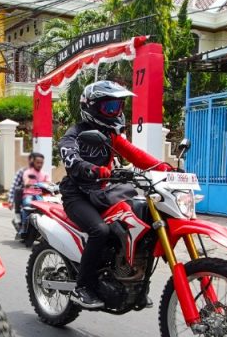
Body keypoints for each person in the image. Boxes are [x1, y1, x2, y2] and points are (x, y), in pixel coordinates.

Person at [58, 80, 172, 309]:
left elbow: (136, 155)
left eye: (118, 107)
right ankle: (82, 288)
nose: (115, 112)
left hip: (102, 193)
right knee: (99, 230)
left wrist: (166, 168)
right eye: (109, 108)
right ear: (91, 107)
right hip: (77, 195)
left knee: (141, 219)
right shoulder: (75, 134)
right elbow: (72, 160)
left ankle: (133, 281)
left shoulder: (110, 136)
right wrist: (93, 169)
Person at [17, 152, 48, 238]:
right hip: (29, 194)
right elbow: (25, 181)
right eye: (38, 162)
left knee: (46, 208)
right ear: (33, 162)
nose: (39, 164)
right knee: (27, 204)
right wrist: (28, 183)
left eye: (41, 163)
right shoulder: (28, 172)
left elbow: (49, 183)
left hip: (39, 195)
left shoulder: (45, 174)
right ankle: (24, 227)